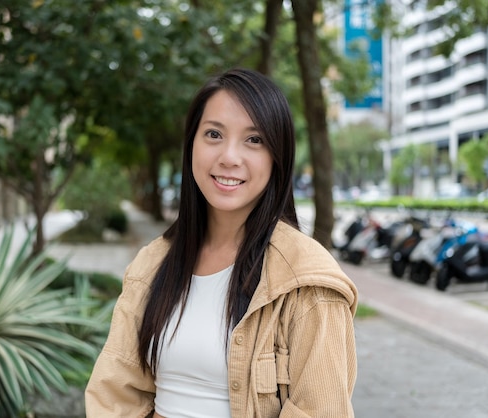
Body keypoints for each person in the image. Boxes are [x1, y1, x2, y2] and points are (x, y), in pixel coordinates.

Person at [85, 68, 358, 417]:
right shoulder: (152, 265)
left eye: (254, 139)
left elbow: (321, 411)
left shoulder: (307, 283)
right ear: (191, 146)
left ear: (278, 156)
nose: (229, 157)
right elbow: (114, 395)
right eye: (213, 134)